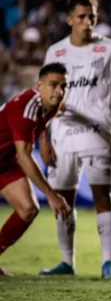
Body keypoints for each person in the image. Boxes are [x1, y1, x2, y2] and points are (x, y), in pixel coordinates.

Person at [39, 0, 111, 279]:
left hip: (99, 134)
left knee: (103, 197)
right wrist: (43, 138)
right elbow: (43, 96)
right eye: (81, 17)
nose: (87, 22)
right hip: (62, 136)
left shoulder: (110, 49)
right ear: (69, 20)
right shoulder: (56, 52)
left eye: (91, 16)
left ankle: (108, 263)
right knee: (63, 199)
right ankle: (67, 262)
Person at [0, 64, 71, 276]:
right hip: (11, 159)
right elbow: (24, 155)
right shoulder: (27, 106)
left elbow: (45, 122)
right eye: (53, 85)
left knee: (28, 209)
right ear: (39, 85)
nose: (59, 90)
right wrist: (51, 195)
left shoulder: (53, 103)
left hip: (4, 162)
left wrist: (45, 142)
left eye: (63, 86)